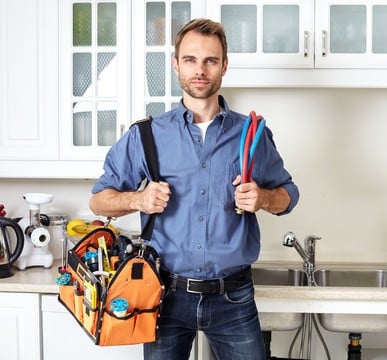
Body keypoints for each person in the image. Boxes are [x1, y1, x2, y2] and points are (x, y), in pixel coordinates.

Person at [89, 18, 299, 360]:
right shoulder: (147, 136)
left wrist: (263, 197)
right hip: (163, 293)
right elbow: (99, 201)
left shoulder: (251, 134)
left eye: (210, 60)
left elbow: (288, 196)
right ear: (175, 64)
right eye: (190, 59)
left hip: (234, 296)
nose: (200, 70)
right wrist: (138, 199)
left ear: (224, 66)